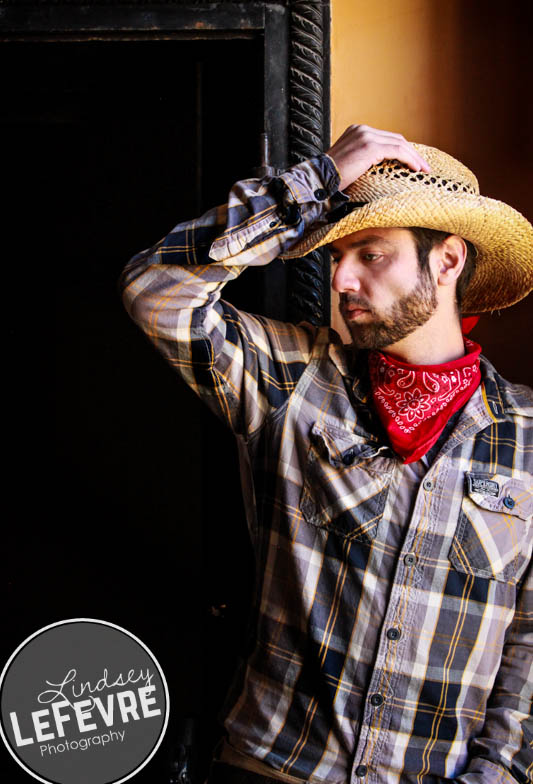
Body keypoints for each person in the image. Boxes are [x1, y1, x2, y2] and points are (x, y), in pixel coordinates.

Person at [119, 124, 533, 783]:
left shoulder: (525, 439)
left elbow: (527, 658)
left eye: (370, 253)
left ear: (447, 262)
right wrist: (316, 182)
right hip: (271, 770)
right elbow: (155, 291)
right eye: (336, 255)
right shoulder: (291, 379)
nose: (339, 277)